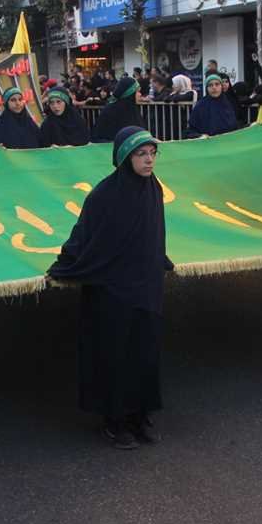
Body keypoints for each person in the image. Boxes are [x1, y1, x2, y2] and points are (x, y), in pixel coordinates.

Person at [48, 126, 172, 449]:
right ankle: (115, 421)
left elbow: (153, 232)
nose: (149, 161)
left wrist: (161, 260)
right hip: (113, 291)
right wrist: (66, 263)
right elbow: (83, 235)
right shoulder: (104, 195)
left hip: (145, 287)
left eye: (152, 153)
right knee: (115, 354)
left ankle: (139, 415)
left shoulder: (153, 189)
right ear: (124, 158)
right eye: (141, 154)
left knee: (144, 353)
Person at [91, 76, 145, 143]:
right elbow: (97, 137)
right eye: (137, 91)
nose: (140, 94)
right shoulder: (110, 111)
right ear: (130, 93)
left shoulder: (133, 109)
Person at [186, 74, 237, 138]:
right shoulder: (200, 106)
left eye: (217, 84)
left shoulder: (228, 103)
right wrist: (200, 136)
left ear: (221, 87)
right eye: (210, 85)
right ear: (207, 88)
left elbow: (235, 127)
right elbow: (191, 131)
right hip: (208, 144)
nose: (214, 87)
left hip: (228, 143)